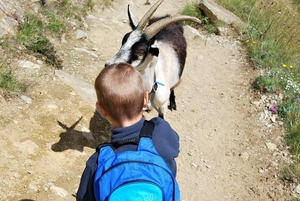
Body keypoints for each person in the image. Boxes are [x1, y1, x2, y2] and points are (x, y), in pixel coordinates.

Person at [76, 62, 180, 201]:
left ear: (101, 110)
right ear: (145, 99)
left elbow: (83, 198)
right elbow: (175, 148)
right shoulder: (161, 130)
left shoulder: (98, 161)